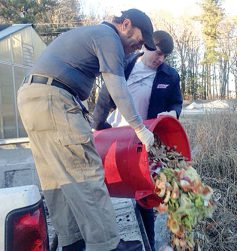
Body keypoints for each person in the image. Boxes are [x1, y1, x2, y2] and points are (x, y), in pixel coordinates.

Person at [17, 9, 156, 251]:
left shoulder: (92, 35)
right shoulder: (108, 37)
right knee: (86, 173)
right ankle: (107, 246)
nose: (137, 48)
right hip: (54, 99)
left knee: (58, 179)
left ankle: (74, 243)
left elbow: (103, 95)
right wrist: (140, 128)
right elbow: (117, 88)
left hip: (32, 98)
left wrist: (98, 122)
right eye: (139, 41)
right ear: (126, 25)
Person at [92, 30, 183, 251]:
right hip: (119, 139)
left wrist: (173, 113)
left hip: (148, 143)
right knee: (104, 186)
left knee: (145, 196)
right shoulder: (125, 66)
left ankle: (149, 244)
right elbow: (105, 98)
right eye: (158, 53)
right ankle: (104, 240)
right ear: (147, 46)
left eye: (165, 56)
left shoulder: (170, 76)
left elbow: (176, 102)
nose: (160, 59)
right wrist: (97, 125)